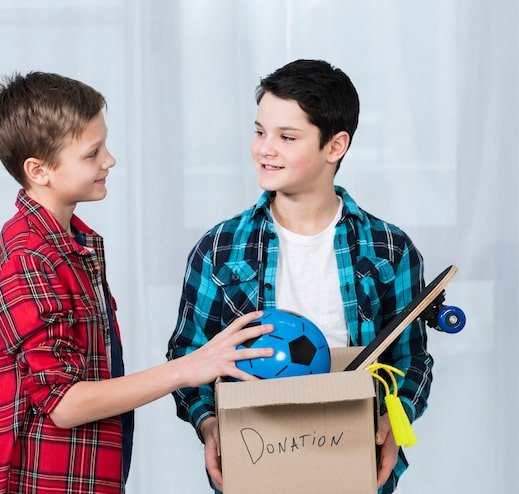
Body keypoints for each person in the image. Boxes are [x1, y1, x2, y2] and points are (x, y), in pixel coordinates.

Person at [0, 71, 274, 494]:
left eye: (104, 145)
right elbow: (64, 404)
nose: (109, 160)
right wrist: (188, 368)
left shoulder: (70, 244)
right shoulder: (29, 258)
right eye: (92, 153)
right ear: (39, 170)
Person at [167, 59, 434, 494]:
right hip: (256, 460)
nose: (264, 149)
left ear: (335, 146)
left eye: (287, 137)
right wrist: (209, 423)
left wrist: (394, 418)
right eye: (260, 132)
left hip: (354, 461)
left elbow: (411, 358)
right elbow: (188, 354)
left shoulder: (389, 249)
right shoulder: (219, 249)